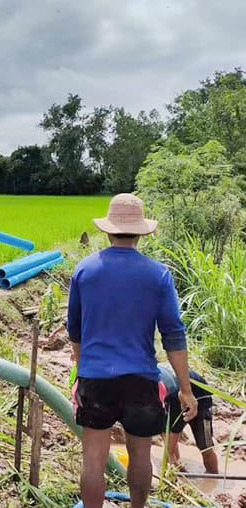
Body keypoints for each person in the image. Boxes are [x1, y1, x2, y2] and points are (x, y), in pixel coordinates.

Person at [66, 193, 197, 508]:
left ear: (108, 230)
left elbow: (75, 329)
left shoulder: (85, 270)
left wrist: (82, 373)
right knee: (140, 454)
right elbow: (174, 335)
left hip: (95, 379)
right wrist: (186, 390)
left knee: (93, 461)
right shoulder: (158, 275)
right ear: (141, 232)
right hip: (141, 379)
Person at [158, 363, 218, 474]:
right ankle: (179, 471)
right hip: (173, 396)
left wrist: (169, 455)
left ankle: (213, 476)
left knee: (205, 447)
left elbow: (176, 428)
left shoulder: (174, 392)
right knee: (165, 431)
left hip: (199, 401)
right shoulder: (147, 384)